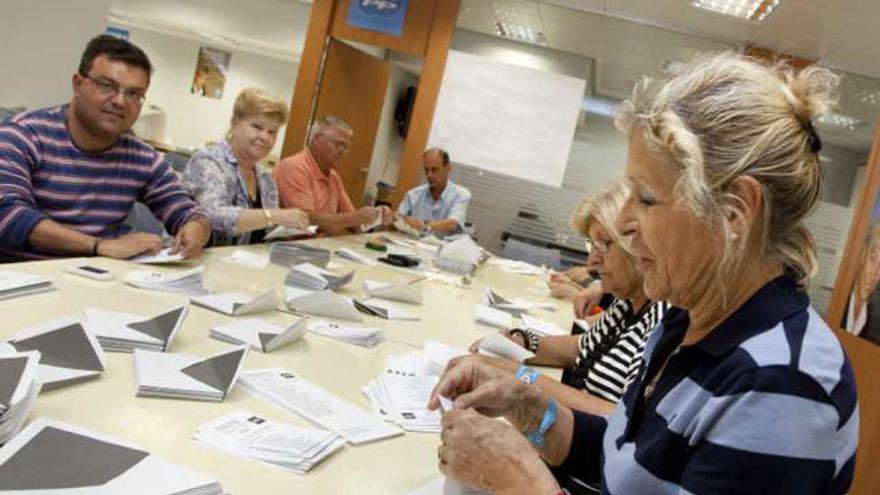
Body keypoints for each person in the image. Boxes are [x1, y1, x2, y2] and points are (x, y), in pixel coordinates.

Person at [430, 53, 858, 495]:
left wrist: (519, 479)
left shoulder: (780, 387)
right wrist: (529, 408)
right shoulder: (682, 324)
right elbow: (624, 464)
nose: (627, 222)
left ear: (734, 212)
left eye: (647, 198)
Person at [0, 34, 210, 261]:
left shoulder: (142, 158)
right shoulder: (22, 135)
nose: (120, 101)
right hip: (24, 281)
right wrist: (97, 245)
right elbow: (8, 216)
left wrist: (195, 230)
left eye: (134, 94)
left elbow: (188, 211)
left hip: (101, 282)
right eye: (107, 85)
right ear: (77, 84)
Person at [467, 179, 668, 416]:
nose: (592, 260)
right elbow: (582, 347)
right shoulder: (627, 303)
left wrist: (520, 377)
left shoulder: (663, 320)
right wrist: (523, 341)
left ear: (637, 242)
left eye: (603, 245)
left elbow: (621, 418)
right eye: (591, 245)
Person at [182, 88, 308, 246]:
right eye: (257, 127)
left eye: (272, 132)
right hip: (199, 261)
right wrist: (273, 216)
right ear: (234, 124)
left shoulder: (265, 177)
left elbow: (269, 231)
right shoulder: (208, 160)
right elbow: (210, 216)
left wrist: (287, 228)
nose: (265, 137)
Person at [274, 115, 391, 235]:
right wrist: (356, 217)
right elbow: (306, 219)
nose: (343, 152)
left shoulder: (333, 176)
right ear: (317, 140)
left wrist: (376, 216)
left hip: (316, 246)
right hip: (288, 247)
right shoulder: (294, 166)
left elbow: (356, 225)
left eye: (347, 147)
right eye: (339, 144)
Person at [397, 148, 471, 234]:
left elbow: (452, 224)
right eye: (426, 170)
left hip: (444, 246)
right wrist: (390, 218)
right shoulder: (413, 195)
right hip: (414, 245)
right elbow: (399, 219)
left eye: (434, 170)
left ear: (448, 168)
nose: (429, 175)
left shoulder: (461, 194)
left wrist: (422, 225)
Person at [841, 220, 880, 338]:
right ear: (862, 253)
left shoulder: (875, 319)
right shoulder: (837, 298)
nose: (876, 276)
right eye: (873, 259)